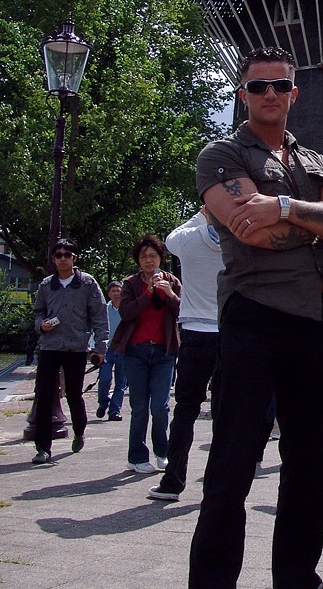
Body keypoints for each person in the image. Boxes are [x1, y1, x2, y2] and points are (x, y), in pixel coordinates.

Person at [189, 46, 323, 589]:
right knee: (233, 461)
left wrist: (284, 208)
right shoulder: (222, 155)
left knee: (311, 465)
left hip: (316, 320)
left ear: (294, 93)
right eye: (259, 86)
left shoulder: (315, 161)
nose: (270, 94)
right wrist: (318, 227)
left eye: (280, 86)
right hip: (255, 316)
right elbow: (253, 233)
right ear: (242, 94)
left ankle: (297, 579)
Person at [149, 207, 223, 502]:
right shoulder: (242, 240)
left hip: (195, 332)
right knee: (225, 414)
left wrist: (202, 214)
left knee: (185, 411)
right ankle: (218, 487)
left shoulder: (188, 239)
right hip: (228, 330)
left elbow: (170, 238)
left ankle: (173, 481)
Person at [30, 238, 107, 465]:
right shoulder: (46, 285)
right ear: (53, 259)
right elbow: (37, 312)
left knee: (74, 394)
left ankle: (79, 431)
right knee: (44, 395)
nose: (62, 259)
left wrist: (100, 348)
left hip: (76, 347)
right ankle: (43, 448)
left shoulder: (87, 283)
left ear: (75, 258)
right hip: (50, 346)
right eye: (58, 255)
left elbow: (99, 316)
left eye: (67, 255)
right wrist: (41, 325)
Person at [111, 235, 182, 474]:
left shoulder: (172, 281)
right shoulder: (130, 284)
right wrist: (148, 292)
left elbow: (183, 311)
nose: (149, 260)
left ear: (161, 258)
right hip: (135, 351)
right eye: (144, 257)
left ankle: (162, 452)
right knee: (139, 406)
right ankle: (137, 457)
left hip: (164, 352)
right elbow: (126, 312)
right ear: (138, 261)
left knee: (160, 406)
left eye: (153, 256)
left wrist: (169, 294)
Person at [96, 281, 126, 421]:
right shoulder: (104, 310)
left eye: (118, 290)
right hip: (107, 350)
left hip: (124, 350)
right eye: (113, 291)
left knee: (121, 383)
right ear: (108, 294)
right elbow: (96, 329)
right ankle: (103, 403)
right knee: (104, 379)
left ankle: (114, 410)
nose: (116, 293)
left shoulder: (127, 309)